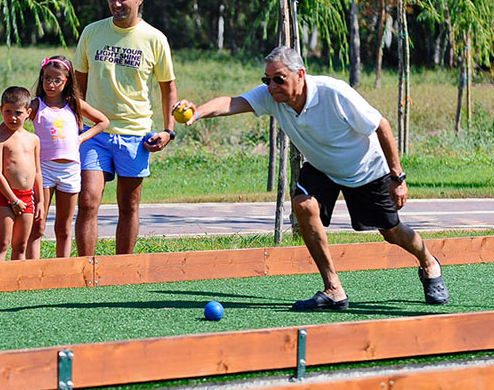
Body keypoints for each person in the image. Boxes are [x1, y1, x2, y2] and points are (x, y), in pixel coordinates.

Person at [176, 46, 449, 311]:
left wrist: (398, 177)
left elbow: (382, 125)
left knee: (392, 232)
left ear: (300, 74)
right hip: (322, 167)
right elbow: (233, 103)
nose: (271, 86)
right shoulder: (272, 96)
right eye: (266, 79)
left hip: (364, 168)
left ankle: (429, 262)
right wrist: (197, 111)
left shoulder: (334, 92)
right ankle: (334, 289)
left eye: (278, 79)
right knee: (303, 205)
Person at [74, 0, 178, 256]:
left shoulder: (154, 39)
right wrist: (74, 122)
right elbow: (77, 84)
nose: (116, 4)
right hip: (94, 132)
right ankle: (86, 270)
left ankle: (123, 270)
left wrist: (168, 130)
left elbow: (168, 89)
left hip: (135, 135)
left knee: (129, 206)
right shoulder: (92, 32)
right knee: (87, 201)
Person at [27, 56, 110, 258]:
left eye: (57, 80)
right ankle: (32, 269)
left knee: (63, 228)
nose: (50, 84)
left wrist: (81, 139)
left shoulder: (74, 104)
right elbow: (14, 118)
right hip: (43, 170)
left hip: (70, 171)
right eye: (46, 78)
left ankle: (61, 271)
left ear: (67, 82)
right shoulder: (37, 105)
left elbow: (103, 122)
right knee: (38, 224)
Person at [0, 87, 44, 261]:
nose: (12, 117)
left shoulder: (34, 139)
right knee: (2, 244)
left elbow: (37, 171)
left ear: (28, 113)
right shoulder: (0, 140)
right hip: (6, 198)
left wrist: (40, 201)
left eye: (18, 113)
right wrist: (13, 200)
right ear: (1, 111)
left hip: (28, 198)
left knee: (21, 245)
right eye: (8, 112)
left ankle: (16, 285)